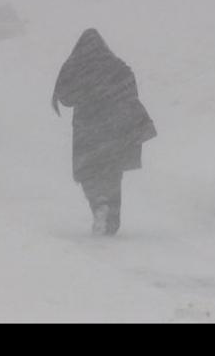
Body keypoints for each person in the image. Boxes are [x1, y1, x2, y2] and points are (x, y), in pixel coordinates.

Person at [52, 29, 157, 236]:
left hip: (87, 129)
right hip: (113, 129)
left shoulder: (75, 68)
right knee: (112, 174)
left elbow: (65, 98)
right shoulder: (117, 66)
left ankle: (98, 205)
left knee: (88, 172)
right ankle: (112, 220)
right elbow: (130, 92)